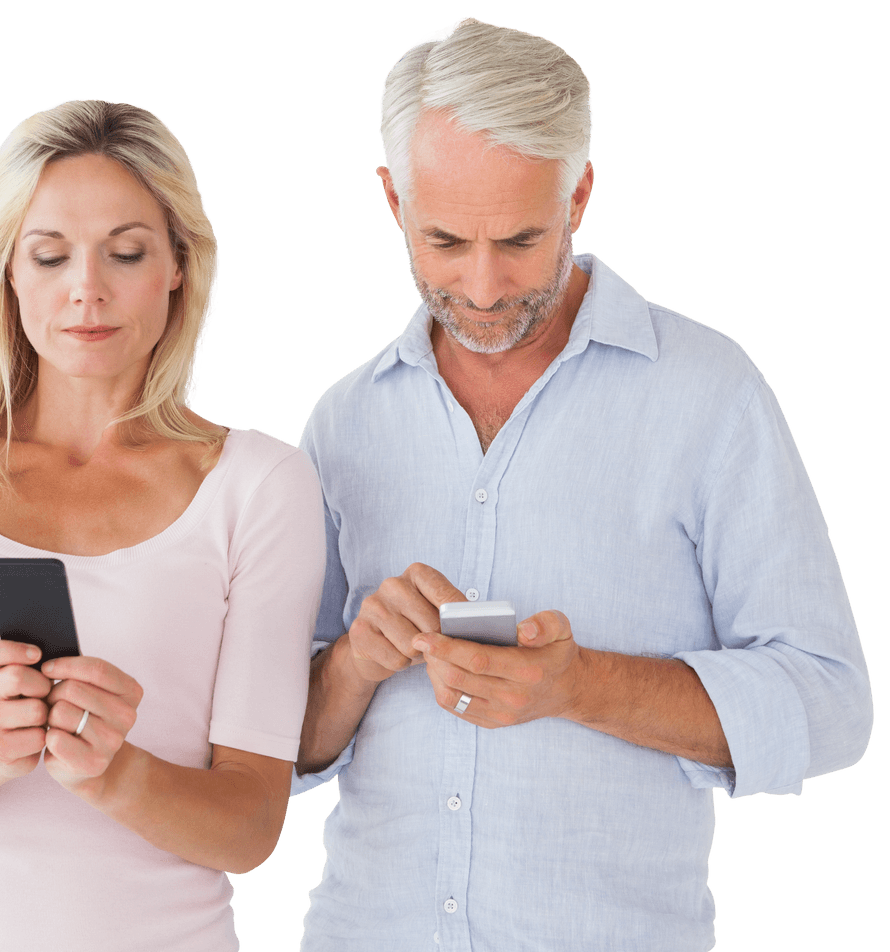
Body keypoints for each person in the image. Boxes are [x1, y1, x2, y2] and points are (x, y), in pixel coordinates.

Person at [293, 19, 873, 952]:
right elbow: (278, 746)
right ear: (393, 198)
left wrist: (580, 685)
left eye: (520, 239)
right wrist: (356, 662)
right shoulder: (344, 420)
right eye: (444, 240)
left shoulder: (708, 394)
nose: (482, 289)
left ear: (581, 195)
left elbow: (832, 705)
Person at [0, 99, 324, 951]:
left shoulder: (260, 485)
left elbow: (249, 826)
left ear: (178, 264)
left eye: (125, 253)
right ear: (6, 272)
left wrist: (115, 772)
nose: (86, 289)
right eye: (49, 256)